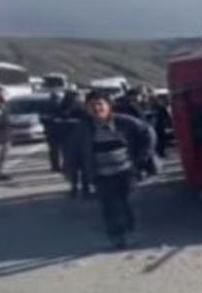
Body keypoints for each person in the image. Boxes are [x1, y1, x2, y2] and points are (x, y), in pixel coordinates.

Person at [66, 91, 155, 248]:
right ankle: (115, 236)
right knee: (109, 206)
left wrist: (144, 155)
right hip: (101, 174)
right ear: (87, 108)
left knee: (127, 203)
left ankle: (129, 232)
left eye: (100, 104)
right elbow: (73, 153)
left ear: (109, 106)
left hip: (125, 171)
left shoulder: (124, 122)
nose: (97, 108)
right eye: (92, 105)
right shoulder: (82, 128)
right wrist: (74, 178)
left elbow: (148, 132)